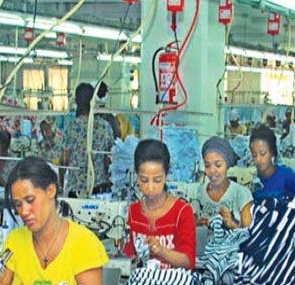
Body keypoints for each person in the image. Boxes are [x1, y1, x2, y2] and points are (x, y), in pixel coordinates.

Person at [0, 157, 108, 285]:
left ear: (51, 190)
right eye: (18, 204)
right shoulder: (15, 240)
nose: (24, 211)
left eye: (30, 200)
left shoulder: (84, 244)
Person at [123, 139, 197, 269]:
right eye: (144, 180)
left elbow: (188, 262)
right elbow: (128, 255)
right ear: (137, 176)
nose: (150, 188)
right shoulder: (133, 212)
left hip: (174, 281)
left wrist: (162, 251)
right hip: (142, 280)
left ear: (166, 175)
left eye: (157, 180)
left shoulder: (182, 212)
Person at [62, 83, 114, 196]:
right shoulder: (105, 127)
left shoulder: (71, 128)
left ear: (76, 102)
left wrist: (60, 184)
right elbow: (108, 162)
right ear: (93, 101)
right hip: (99, 188)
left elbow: (65, 161)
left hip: (76, 189)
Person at [198, 136, 253, 229]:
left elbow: (251, 232)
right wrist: (194, 225)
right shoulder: (198, 193)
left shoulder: (241, 194)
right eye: (207, 165)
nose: (212, 170)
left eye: (218, 165)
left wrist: (233, 225)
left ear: (227, 164)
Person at [250, 124, 295, 203]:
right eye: (254, 155)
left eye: (262, 154)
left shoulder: (287, 176)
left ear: (272, 152)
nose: (258, 159)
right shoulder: (251, 181)